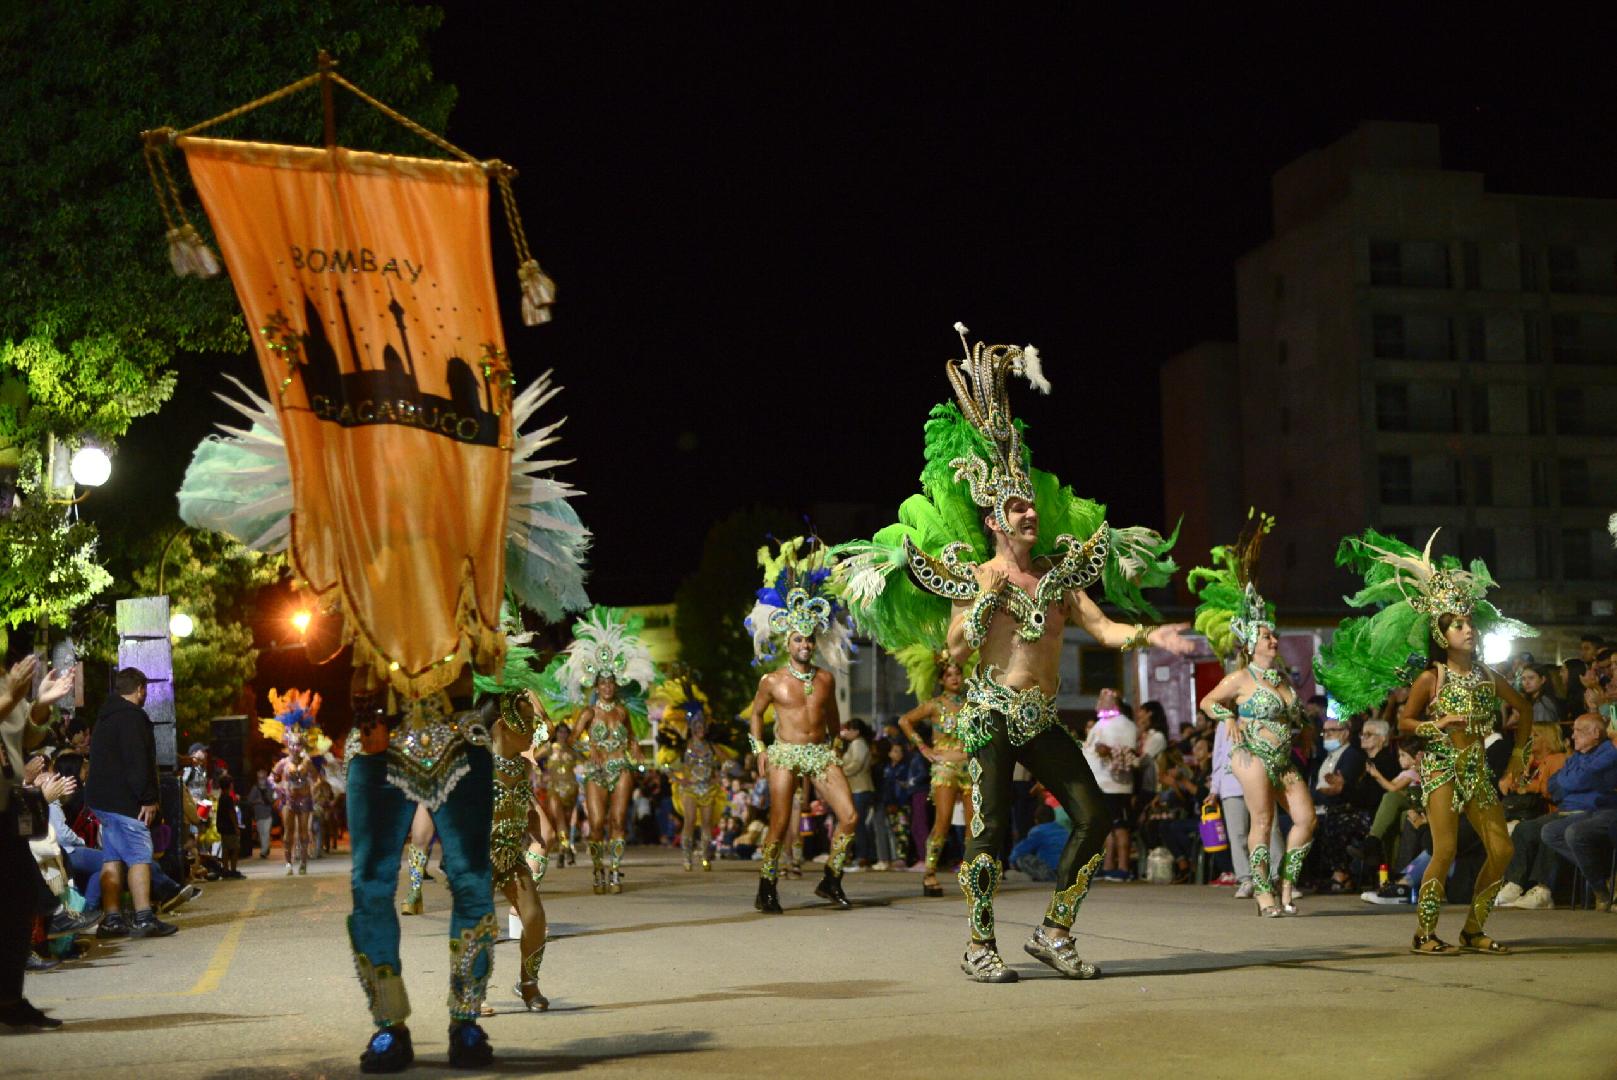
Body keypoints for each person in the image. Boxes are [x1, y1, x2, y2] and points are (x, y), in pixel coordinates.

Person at [835, 324, 1191, 982]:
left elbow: (1104, 629)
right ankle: (977, 944)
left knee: (1093, 815)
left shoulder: (1059, 575)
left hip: (1042, 716)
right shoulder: (977, 578)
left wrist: (1153, 637)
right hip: (991, 712)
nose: (1030, 514)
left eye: (1031, 504)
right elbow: (952, 648)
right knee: (991, 828)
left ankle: (1053, 931)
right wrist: (982, 609)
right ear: (994, 518)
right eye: (1017, 507)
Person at [1317, 528, 1534, 954]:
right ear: (1441, 636)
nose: (1467, 630)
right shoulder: (1430, 677)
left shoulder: (1489, 676)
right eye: (1457, 625)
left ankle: (1473, 928)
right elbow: (1406, 720)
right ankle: (1424, 933)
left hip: (1477, 770)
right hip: (1441, 771)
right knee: (1445, 849)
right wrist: (1438, 725)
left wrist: (1516, 760)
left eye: (1469, 622)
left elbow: (1524, 712)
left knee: (1502, 848)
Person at [1190, 516, 1316, 916]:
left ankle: (1287, 885)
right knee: (1262, 822)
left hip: (1284, 758)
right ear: (1250, 643)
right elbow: (1207, 702)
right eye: (1266, 636)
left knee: (1305, 819)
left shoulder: (1283, 681)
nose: (1273, 639)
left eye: (1274, 635)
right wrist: (1225, 717)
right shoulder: (1241, 678)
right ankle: (1263, 893)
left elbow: (1297, 717)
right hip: (1252, 756)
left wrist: (1306, 729)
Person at [745, 535, 860, 914]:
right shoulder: (772, 681)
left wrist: (837, 748)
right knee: (779, 823)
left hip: (820, 753)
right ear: (788, 642)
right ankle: (767, 884)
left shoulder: (826, 679)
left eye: (809, 639)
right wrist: (758, 749)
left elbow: (833, 720)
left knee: (850, 816)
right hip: (783, 752)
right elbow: (755, 715)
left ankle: (831, 878)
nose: (805, 645)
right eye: (798, 639)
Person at [538, 607, 655, 896]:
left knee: (618, 820)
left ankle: (615, 870)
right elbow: (572, 742)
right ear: (595, 685)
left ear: (616, 684)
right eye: (602, 683)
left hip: (620, 768)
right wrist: (589, 747)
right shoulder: (587, 714)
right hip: (595, 772)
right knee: (598, 823)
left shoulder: (622, 711)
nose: (606, 687)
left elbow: (630, 739)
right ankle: (598, 868)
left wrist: (636, 749)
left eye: (610, 682)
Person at [1, 654, 83, 1029]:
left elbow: (25, 736)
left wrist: (39, 704)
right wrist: (11, 697)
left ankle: (9, 1001)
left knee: (18, 904)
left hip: (7, 808)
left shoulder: (6, 678)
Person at [473, 639, 553, 1012]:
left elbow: (527, 793)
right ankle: (472, 992)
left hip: (510, 849)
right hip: (480, 850)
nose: (534, 732)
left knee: (534, 915)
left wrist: (539, 821)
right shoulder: (481, 753)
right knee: (478, 922)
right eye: (529, 725)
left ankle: (528, 984)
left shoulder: (521, 757)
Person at [86, 667, 177, 939]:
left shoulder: (104, 717)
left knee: (111, 857)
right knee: (140, 855)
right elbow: (138, 760)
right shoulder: (132, 717)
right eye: (144, 690)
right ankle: (143, 916)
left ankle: (112, 918)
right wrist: (148, 798)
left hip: (101, 800)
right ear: (139, 689)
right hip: (126, 801)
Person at [896, 648, 973, 895]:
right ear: (941, 679)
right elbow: (905, 721)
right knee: (943, 821)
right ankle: (929, 873)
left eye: (957, 673)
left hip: (970, 765)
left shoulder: (972, 704)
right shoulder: (935, 705)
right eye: (948, 674)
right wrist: (923, 748)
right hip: (945, 768)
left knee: (975, 824)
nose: (954, 678)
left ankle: (972, 875)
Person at [1537, 714, 1617, 910]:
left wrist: (1569, 780)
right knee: (1549, 831)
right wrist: (1570, 780)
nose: (1572, 736)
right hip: (1580, 810)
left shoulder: (1609, 753)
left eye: (1578, 731)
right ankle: (1605, 878)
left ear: (1595, 733)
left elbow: (1576, 781)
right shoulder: (1578, 755)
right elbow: (1553, 784)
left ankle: (1600, 889)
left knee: (1574, 833)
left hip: (1605, 809)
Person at [262, 689, 328, 876]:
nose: (295, 748)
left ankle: (304, 864)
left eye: (298, 744)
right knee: (288, 833)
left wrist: (317, 789)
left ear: (303, 745)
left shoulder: (307, 761)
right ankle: (288, 863)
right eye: (292, 744)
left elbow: (318, 778)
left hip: (305, 799)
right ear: (287, 745)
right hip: (288, 800)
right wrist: (278, 788)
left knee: (304, 833)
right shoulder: (283, 763)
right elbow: (270, 778)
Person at [1083, 689, 1138, 882]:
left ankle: (1121, 866)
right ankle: (1108, 866)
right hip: (1103, 783)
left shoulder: (1122, 724)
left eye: (1102, 699)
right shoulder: (1105, 723)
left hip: (1113, 784)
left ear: (1114, 702)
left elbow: (1124, 751)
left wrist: (1105, 750)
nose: (1098, 702)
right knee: (1108, 826)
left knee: (1118, 825)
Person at [841, 718, 876, 869]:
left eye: (848, 729)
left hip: (860, 788)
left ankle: (863, 856)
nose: (845, 732)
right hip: (856, 789)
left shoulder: (858, 743)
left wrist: (842, 772)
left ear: (856, 731)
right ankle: (862, 855)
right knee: (859, 824)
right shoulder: (856, 743)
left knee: (858, 824)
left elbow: (857, 763)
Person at [247, 768, 277, 859]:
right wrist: (258, 801)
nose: (261, 779)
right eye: (260, 777)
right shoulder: (255, 788)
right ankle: (265, 848)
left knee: (266, 832)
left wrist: (268, 799)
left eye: (263, 777)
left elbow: (273, 799)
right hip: (259, 814)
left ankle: (263, 851)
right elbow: (249, 800)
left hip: (268, 814)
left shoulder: (269, 787)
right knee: (261, 833)